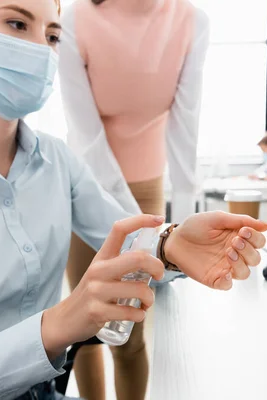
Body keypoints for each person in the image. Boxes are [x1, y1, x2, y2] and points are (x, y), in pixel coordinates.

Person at [0, 1, 267, 399]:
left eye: (52, 35)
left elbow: (121, 230)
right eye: (17, 24)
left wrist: (171, 242)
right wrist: (58, 324)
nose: (39, 48)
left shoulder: (55, 158)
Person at [58, 0, 209, 398]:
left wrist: (183, 229)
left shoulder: (192, 21)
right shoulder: (75, 18)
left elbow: (185, 127)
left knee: (129, 333)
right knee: (86, 325)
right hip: (83, 185)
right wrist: (138, 224)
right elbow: (85, 132)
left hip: (146, 190)